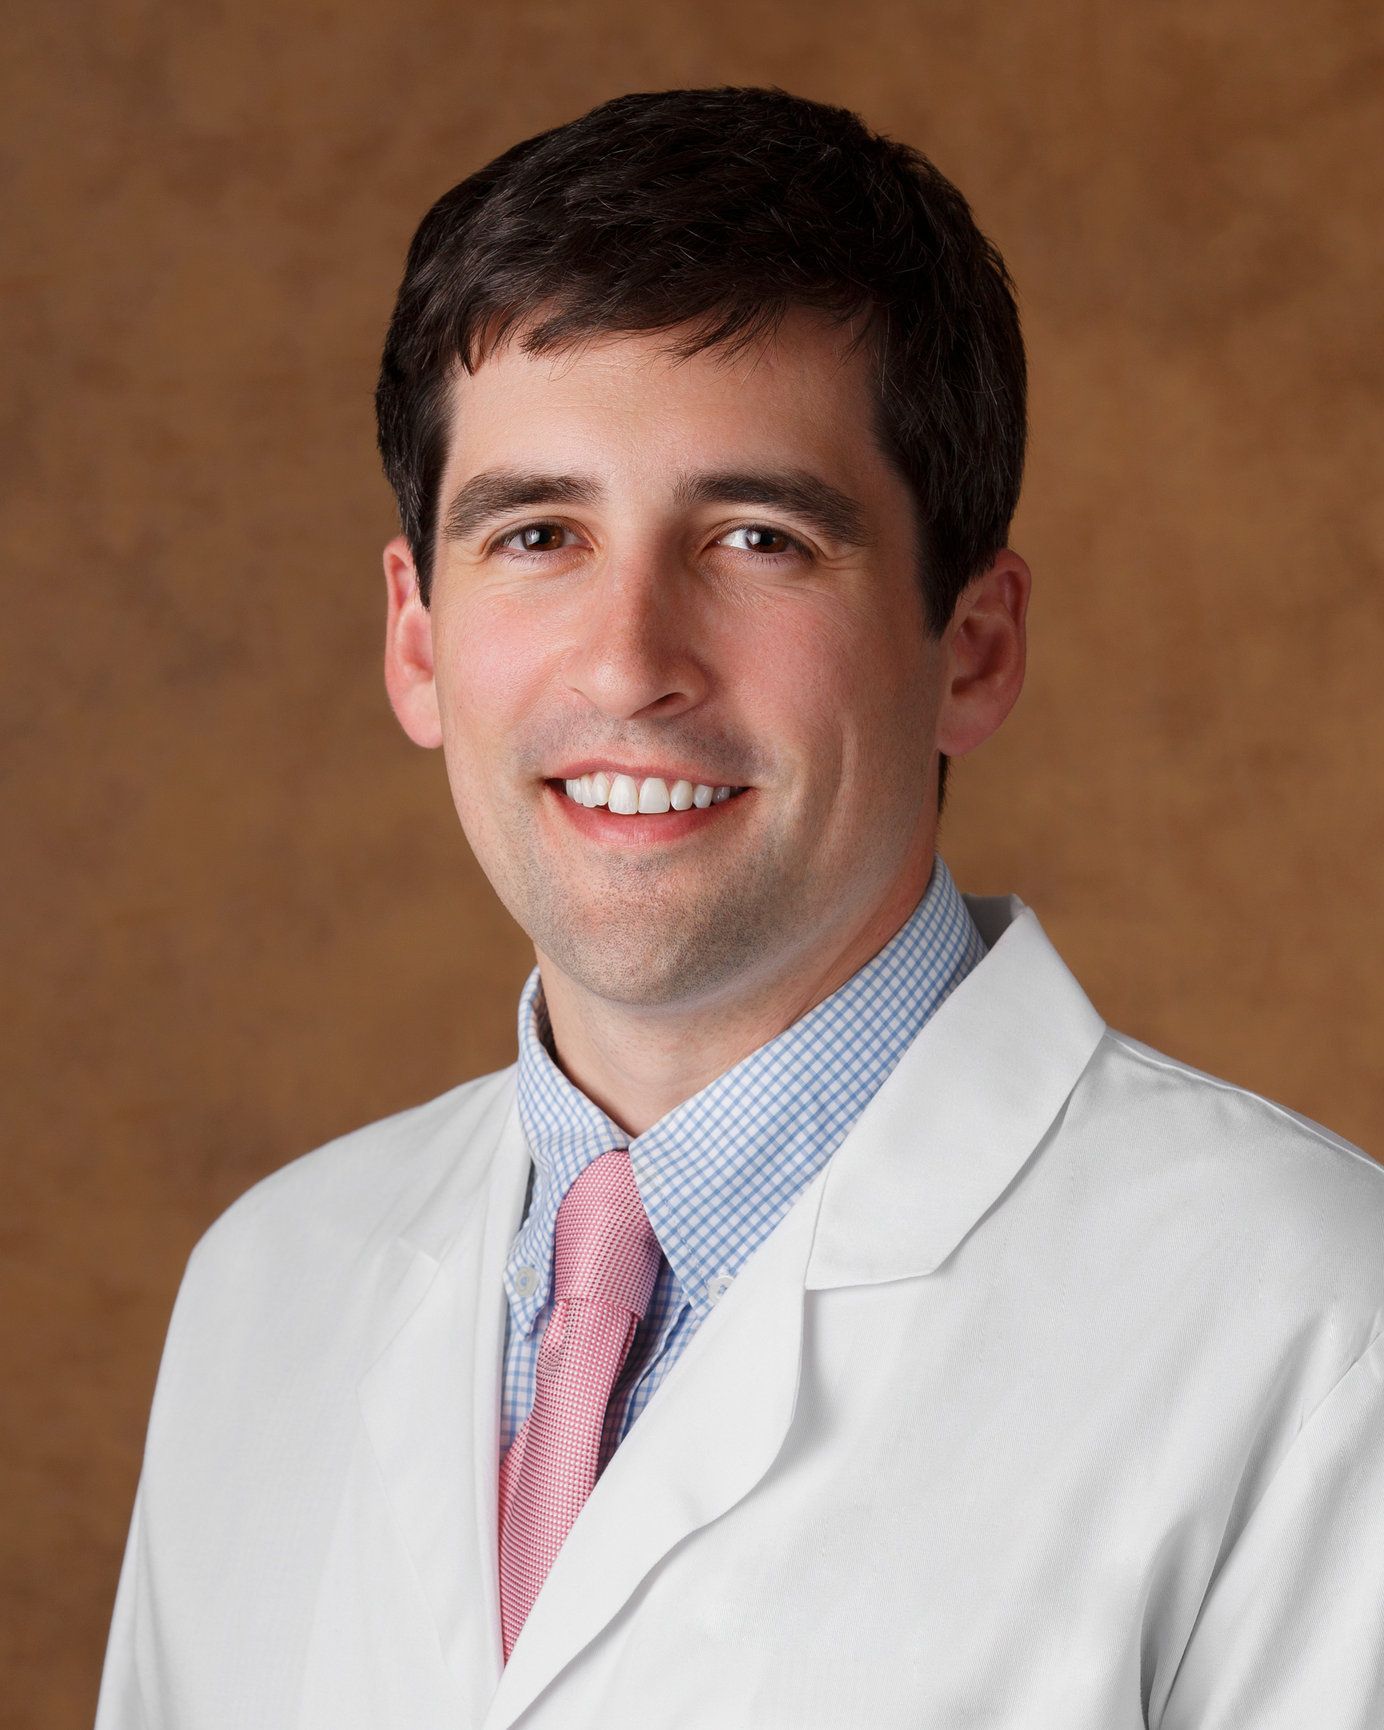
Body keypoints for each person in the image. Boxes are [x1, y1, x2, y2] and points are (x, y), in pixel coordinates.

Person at [95, 86, 1383, 1730]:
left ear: (973, 647)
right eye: (539, 533)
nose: (630, 661)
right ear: (418, 639)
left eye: (758, 538)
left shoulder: (1314, 1324)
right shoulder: (268, 1291)